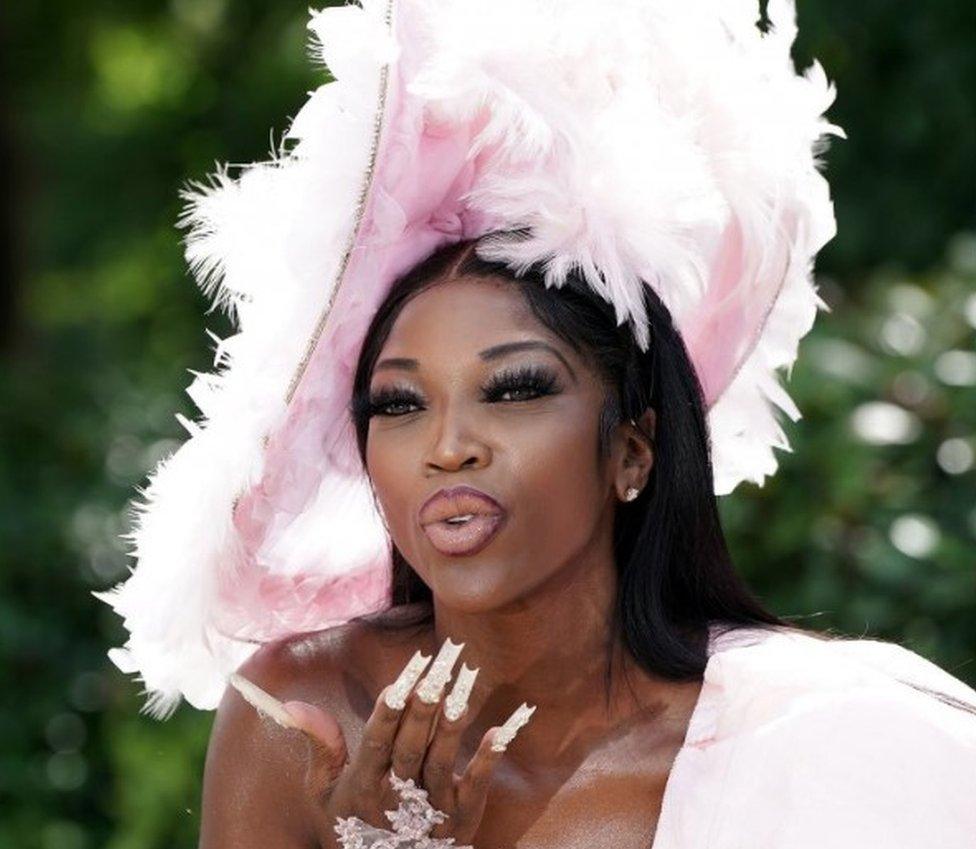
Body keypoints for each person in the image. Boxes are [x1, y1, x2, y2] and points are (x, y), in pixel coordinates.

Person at [93, 1, 976, 846]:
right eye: (399, 404)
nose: (449, 446)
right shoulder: (300, 713)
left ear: (634, 449)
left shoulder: (822, 745)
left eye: (513, 390)